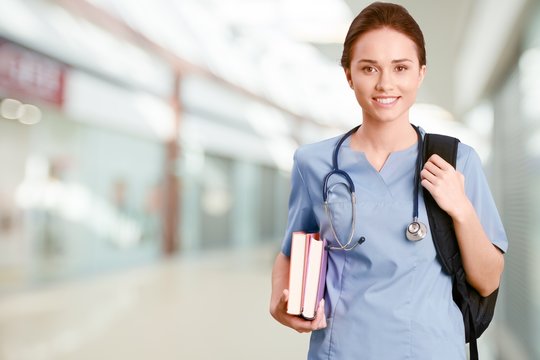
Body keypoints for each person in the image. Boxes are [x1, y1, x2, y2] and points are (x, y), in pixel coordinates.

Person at [269, 2, 507, 359]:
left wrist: (461, 210)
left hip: (430, 350)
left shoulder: (457, 161)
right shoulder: (313, 163)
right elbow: (292, 250)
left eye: (400, 67)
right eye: (369, 68)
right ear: (349, 74)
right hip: (342, 350)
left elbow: (488, 280)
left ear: (420, 73)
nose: (385, 84)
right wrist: (279, 304)